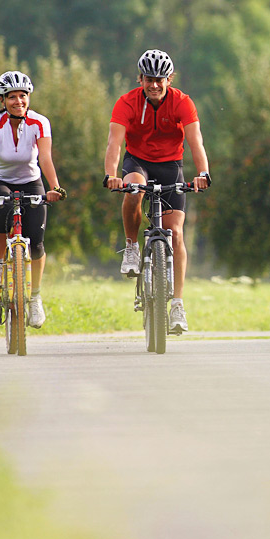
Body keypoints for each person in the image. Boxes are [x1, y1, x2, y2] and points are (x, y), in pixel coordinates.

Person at [102, 49, 210, 333]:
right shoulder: (126, 103)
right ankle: (132, 247)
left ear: (169, 79)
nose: (154, 85)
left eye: (160, 79)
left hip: (171, 165)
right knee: (133, 190)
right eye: (149, 78)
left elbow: (196, 141)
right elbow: (115, 143)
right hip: (138, 161)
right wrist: (111, 175)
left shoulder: (183, 102)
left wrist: (202, 174)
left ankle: (177, 305)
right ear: (140, 78)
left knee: (176, 233)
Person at [0, 70, 66, 329]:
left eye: (23, 96)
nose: (18, 101)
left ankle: (34, 298)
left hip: (31, 180)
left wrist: (55, 187)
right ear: (2, 100)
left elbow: (45, 158)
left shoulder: (40, 123)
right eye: (12, 97)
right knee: (1, 210)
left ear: (29, 97)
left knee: (37, 241)